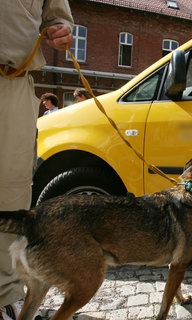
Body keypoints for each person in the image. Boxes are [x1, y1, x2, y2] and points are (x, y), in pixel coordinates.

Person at [0, 2, 73, 320]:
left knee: (10, 192)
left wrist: (61, 31)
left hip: (12, 81)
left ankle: (2, 295)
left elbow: (57, 16)